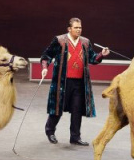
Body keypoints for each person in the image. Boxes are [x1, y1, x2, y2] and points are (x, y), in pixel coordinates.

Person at [40, 18, 110, 146]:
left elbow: (93, 59)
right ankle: (50, 131)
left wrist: (102, 54)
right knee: (57, 108)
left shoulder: (85, 42)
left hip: (79, 83)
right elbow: (46, 55)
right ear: (69, 29)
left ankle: (75, 137)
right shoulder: (60, 40)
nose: (79, 30)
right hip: (62, 82)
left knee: (77, 109)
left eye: (80, 27)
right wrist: (45, 68)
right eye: (76, 27)